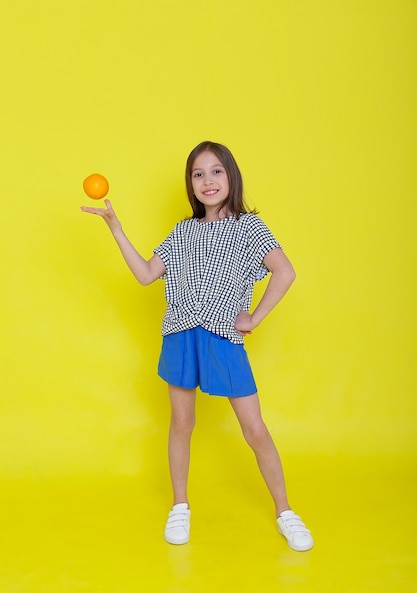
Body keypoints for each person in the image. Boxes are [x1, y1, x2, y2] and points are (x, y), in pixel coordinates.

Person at [81, 141, 313, 552]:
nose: (208, 180)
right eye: (198, 174)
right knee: (182, 424)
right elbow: (147, 274)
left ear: (231, 177)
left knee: (254, 429)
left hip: (223, 337)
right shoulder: (182, 231)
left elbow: (285, 272)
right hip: (180, 335)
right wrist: (116, 227)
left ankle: (286, 512)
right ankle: (180, 505)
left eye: (216, 171)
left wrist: (254, 318)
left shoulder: (249, 227)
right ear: (190, 184)